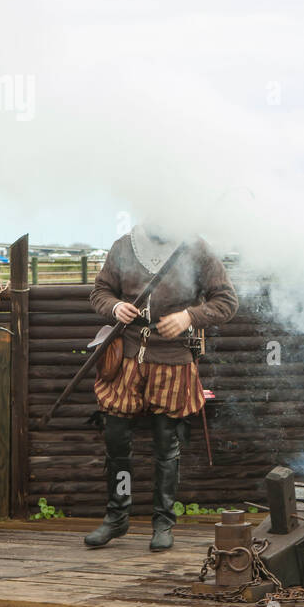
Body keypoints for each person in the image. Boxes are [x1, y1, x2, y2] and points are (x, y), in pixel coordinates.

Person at [84, 221, 238, 551]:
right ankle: (117, 517)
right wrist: (114, 307)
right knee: (116, 441)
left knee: (167, 446)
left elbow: (226, 301)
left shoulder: (196, 249)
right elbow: (100, 292)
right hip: (125, 358)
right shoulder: (124, 246)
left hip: (173, 358)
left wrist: (190, 317)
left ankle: (163, 522)